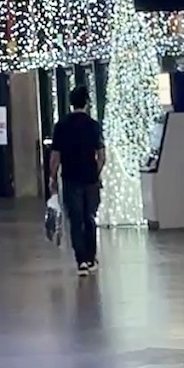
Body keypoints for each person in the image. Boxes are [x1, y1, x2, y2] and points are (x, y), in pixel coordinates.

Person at [48, 86, 105, 276]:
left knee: (75, 220)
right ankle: (91, 257)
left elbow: (55, 156)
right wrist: (96, 173)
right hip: (90, 179)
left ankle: (80, 261)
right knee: (90, 218)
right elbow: (102, 156)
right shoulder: (93, 125)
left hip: (71, 178)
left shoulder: (62, 126)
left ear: (71, 103)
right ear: (87, 102)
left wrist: (52, 177)